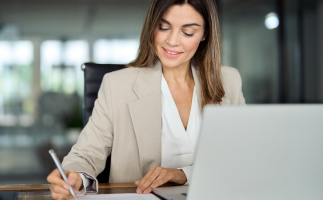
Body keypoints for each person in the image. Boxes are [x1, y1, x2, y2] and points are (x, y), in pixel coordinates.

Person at [47, 0, 245, 199]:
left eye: (188, 32)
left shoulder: (229, 81)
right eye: (164, 27)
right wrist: (74, 179)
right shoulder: (117, 86)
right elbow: (85, 155)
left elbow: (242, 156)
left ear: (205, 34)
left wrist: (183, 174)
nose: (172, 41)